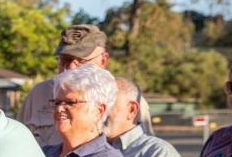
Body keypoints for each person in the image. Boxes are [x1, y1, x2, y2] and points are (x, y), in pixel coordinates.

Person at [19, 24, 153, 146]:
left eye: (81, 61)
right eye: (64, 60)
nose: (70, 68)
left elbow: (142, 153)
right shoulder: (39, 94)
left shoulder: (127, 99)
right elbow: (20, 145)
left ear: (103, 60)